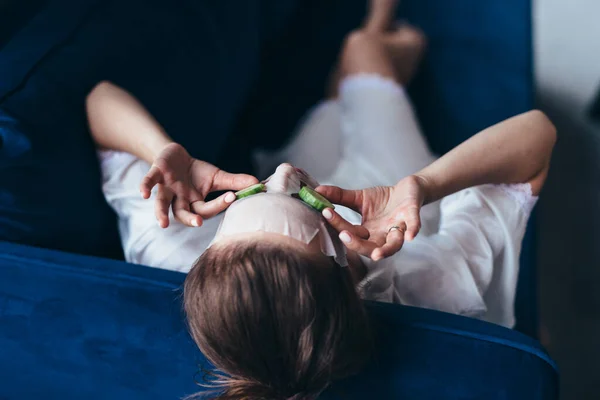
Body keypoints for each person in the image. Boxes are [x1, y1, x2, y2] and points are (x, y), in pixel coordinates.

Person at [86, 1, 556, 398]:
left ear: (208, 253)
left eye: (249, 195)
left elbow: (99, 98)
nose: (283, 177)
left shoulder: (175, 249)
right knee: (362, 51)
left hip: (329, 189)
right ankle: (384, 34)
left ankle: (343, 90)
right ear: (346, 272)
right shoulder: (431, 284)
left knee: (335, 104)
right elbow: (537, 135)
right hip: (384, 191)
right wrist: (422, 186)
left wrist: (161, 151)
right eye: (298, 200)